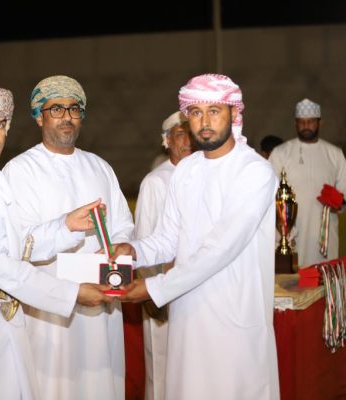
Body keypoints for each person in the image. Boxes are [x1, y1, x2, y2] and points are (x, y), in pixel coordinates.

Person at [0, 85, 112, 400]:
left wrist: (65, 225)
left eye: (0, 124)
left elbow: (18, 244)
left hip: (4, 311)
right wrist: (72, 293)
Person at [113, 74, 280, 399]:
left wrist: (153, 288)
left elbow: (220, 249)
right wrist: (132, 251)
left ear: (234, 113)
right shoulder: (186, 171)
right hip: (188, 316)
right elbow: (168, 238)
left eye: (214, 111)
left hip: (235, 317)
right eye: (196, 112)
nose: (204, 122)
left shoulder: (254, 171)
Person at [3, 75, 135, 400]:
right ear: (39, 116)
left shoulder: (100, 167)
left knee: (101, 383)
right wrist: (65, 226)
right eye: (56, 109)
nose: (66, 117)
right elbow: (18, 244)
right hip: (51, 308)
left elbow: (123, 226)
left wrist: (121, 248)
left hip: (102, 300)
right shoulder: (20, 171)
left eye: (74, 109)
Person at [133, 110, 193, 400]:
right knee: (162, 367)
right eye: (180, 135)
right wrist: (153, 294)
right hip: (163, 292)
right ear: (167, 141)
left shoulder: (202, 174)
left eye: (191, 135)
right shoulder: (156, 182)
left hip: (195, 290)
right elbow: (145, 239)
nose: (187, 142)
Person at [268, 99, 346, 267]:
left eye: (311, 121)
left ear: (320, 123)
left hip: (323, 233)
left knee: (324, 275)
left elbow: (344, 193)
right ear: (295, 123)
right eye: (301, 122)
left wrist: (337, 202)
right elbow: (269, 195)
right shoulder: (281, 153)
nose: (306, 126)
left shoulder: (335, 154)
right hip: (290, 232)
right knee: (290, 277)